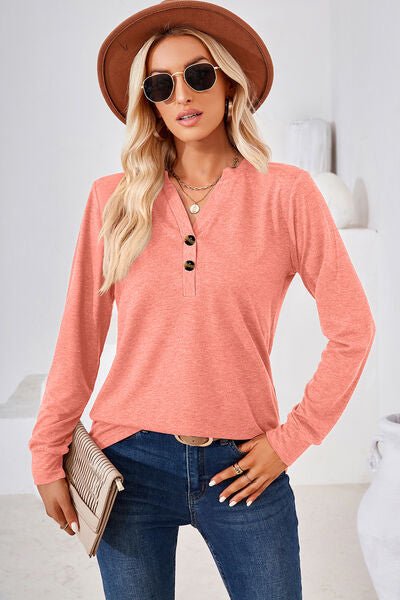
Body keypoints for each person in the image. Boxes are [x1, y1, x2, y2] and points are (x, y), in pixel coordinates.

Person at [28, 1, 376, 598]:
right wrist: (46, 450)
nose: (183, 94)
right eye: (161, 85)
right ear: (150, 104)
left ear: (229, 83)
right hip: (127, 463)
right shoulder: (113, 200)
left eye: (197, 74)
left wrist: (292, 440)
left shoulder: (287, 195)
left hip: (243, 463)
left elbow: (353, 329)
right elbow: (79, 337)